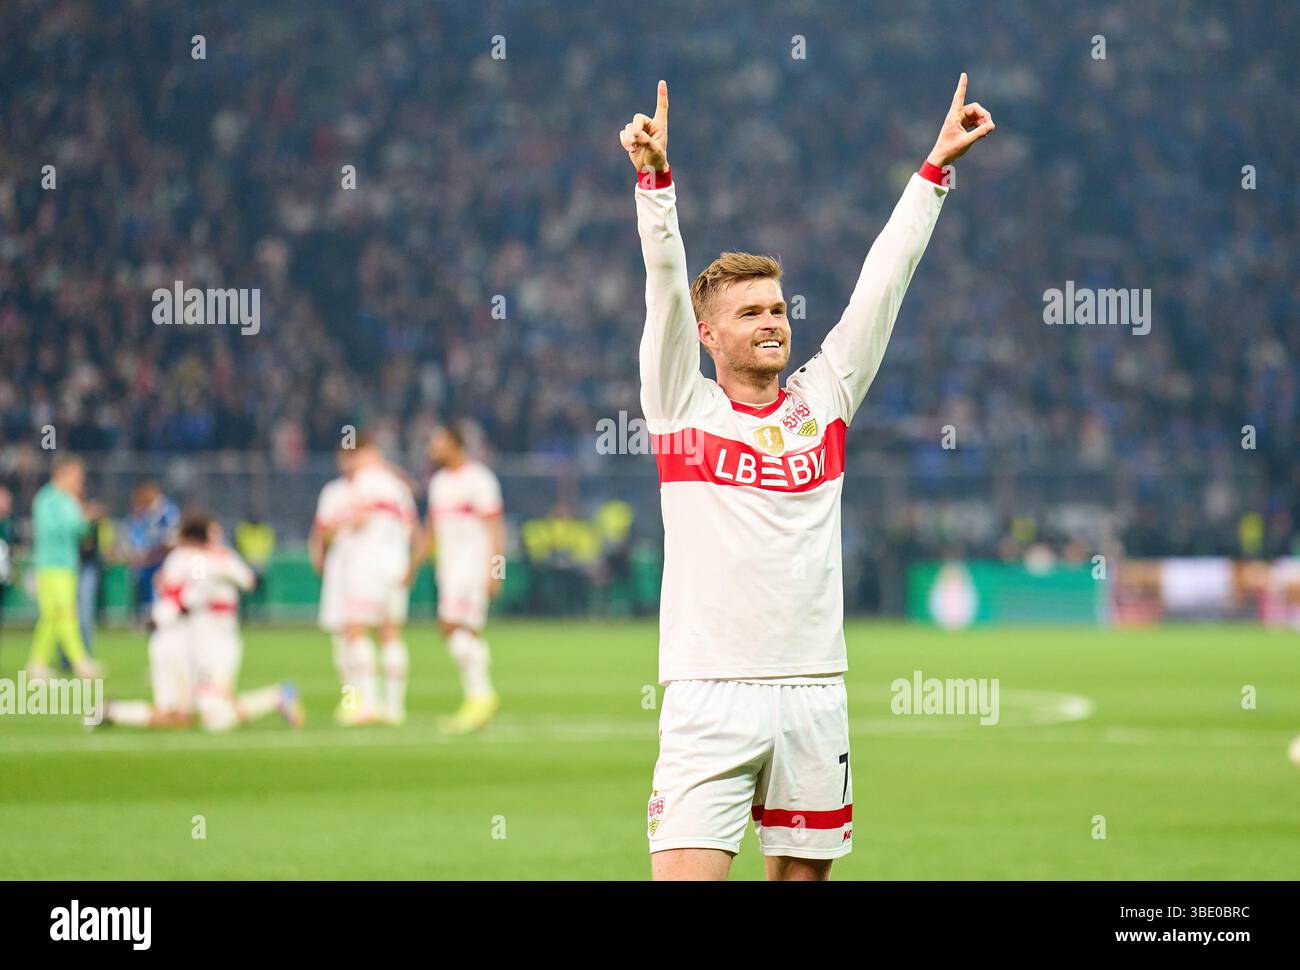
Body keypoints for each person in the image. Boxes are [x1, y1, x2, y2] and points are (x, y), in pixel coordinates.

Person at [621, 76, 993, 880]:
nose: (772, 322)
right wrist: (655, 182)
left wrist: (934, 169)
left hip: (814, 691)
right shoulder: (682, 406)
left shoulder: (823, 400)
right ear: (710, 336)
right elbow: (662, 284)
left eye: (780, 309)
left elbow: (882, 285)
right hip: (707, 693)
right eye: (751, 313)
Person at [103, 515, 303, 731]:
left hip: (212, 640)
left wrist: (162, 613)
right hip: (191, 641)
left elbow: (237, 582)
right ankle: (278, 697)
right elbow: (189, 592)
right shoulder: (193, 558)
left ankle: (279, 697)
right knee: (193, 714)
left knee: (204, 716)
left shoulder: (208, 559)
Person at [418, 423, 505, 733]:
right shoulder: (438, 482)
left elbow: (496, 527)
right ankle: (479, 699)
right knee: (463, 630)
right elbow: (431, 528)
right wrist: (415, 564)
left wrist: (496, 570)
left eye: (438, 442)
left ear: (455, 444)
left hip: (472, 567)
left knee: (455, 626)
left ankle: (481, 696)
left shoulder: (480, 479)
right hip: (449, 569)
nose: (432, 448)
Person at [335, 436, 419, 726]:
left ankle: (368, 704)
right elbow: (411, 528)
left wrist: (340, 529)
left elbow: (359, 519)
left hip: (368, 563)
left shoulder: (364, 480)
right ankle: (395, 708)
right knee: (390, 633)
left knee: (356, 630)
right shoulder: (399, 486)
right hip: (395, 563)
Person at [24, 456, 103, 681]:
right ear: (63, 474)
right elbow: (65, 529)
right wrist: (85, 518)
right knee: (66, 613)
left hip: (62, 564)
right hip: (54, 565)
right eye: (77, 477)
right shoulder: (50, 500)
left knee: (52, 616)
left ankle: (37, 663)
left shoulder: (56, 499)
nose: (79, 483)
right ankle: (80, 662)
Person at [124, 481, 179, 623]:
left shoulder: (168, 511)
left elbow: (173, 537)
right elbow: (137, 538)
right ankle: (146, 617)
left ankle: (163, 618)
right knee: (146, 589)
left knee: (162, 590)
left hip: (165, 560)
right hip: (149, 560)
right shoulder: (142, 515)